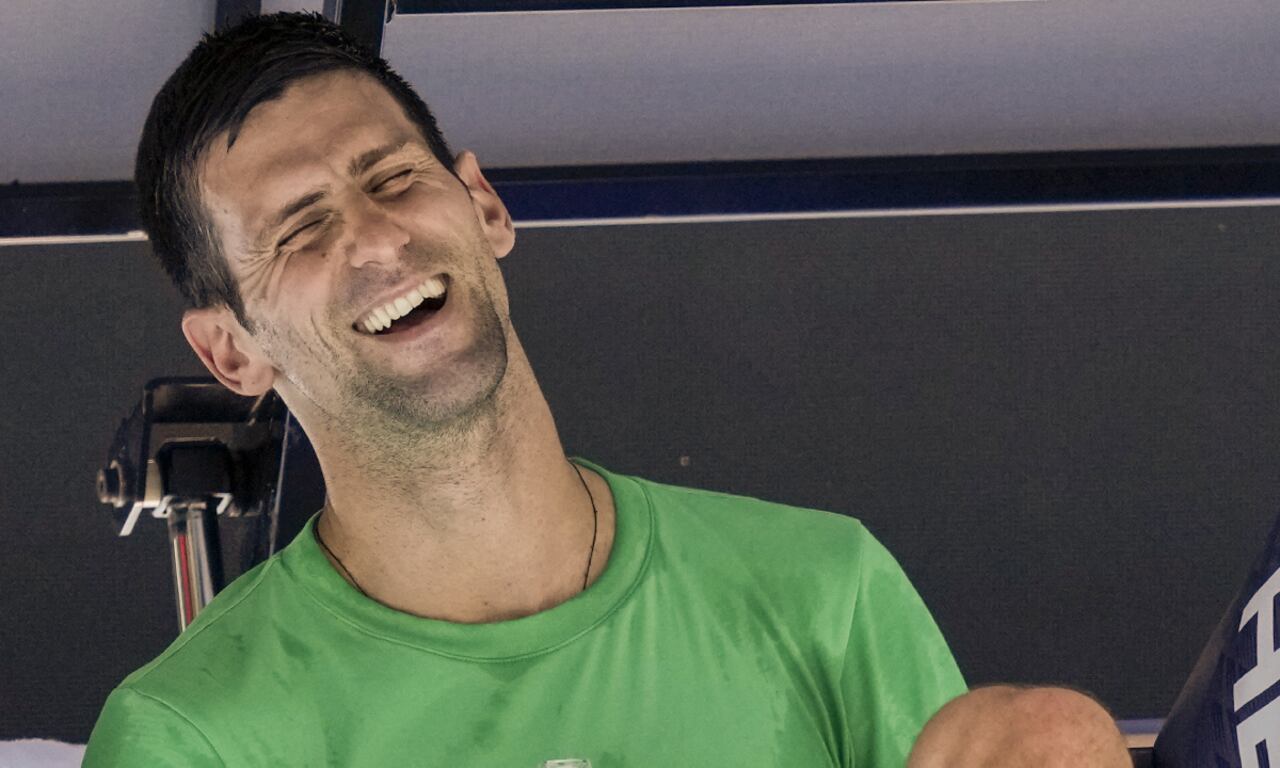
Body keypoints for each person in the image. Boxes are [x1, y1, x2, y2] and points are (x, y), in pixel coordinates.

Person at [84, 12, 1130, 767]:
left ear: (482, 205)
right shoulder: (193, 738)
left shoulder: (821, 589)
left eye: (392, 176)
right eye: (299, 229)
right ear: (232, 352)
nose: (374, 236)